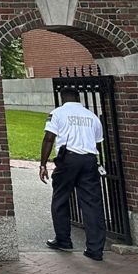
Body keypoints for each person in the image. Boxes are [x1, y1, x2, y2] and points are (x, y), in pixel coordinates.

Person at [39, 88, 106, 261]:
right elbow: (98, 142)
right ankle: (95, 249)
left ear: (63, 98)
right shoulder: (92, 116)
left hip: (68, 159)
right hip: (90, 160)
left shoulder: (58, 113)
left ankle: (63, 239)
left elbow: (48, 138)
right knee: (92, 204)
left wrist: (43, 164)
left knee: (61, 198)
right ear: (78, 98)